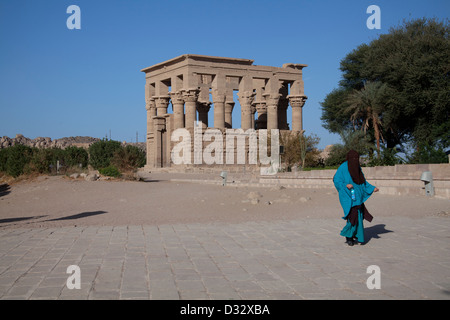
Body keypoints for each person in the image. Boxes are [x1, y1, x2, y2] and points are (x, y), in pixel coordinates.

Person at [333, 150, 379, 246]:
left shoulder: (358, 167)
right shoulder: (343, 167)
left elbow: (363, 181)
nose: (354, 160)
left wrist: (372, 188)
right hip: (348, 196)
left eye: (356, 158)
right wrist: (345, 185)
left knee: (359, 217)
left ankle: (355, 235)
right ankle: (348, 236)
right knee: (352, 217)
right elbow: (336, 180)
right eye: (352, 158)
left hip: (358, 196)